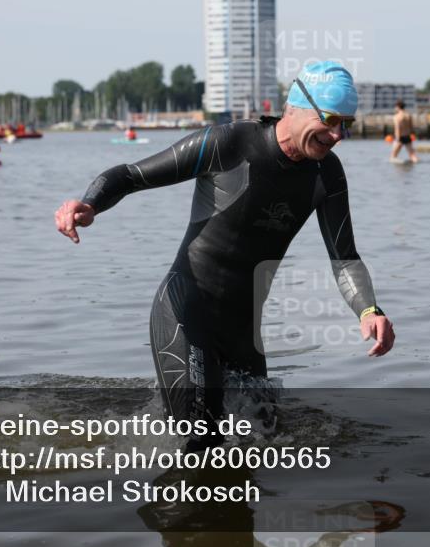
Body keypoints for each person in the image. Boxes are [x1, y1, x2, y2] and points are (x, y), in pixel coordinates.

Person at [55, 61, 395, 449]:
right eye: (331, 120)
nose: (338, 135)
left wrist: (370, 310)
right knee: (202, 443)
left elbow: (344, 256)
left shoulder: (328, 175)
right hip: (186, 309)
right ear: (296, 108)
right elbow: (131, 175)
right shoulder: (228, 144)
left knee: (263, 440)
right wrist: (89, 205)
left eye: (346, 123)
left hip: (243, 330)